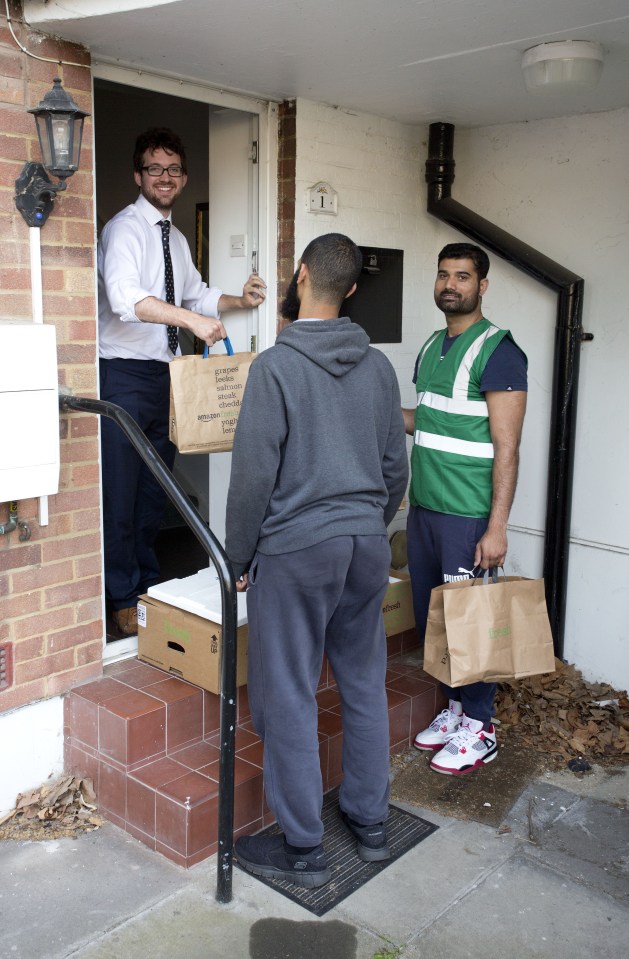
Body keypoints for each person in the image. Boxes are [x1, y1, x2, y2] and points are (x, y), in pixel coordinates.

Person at [225, 233, 408, 888]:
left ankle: (303, 847)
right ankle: (370, 820)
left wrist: (236, 556)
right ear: (352, 288)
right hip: (363, 546)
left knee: (291, 694)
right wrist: (366, 525)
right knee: (361, 682)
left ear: (300, 276)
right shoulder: (379, 369)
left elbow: (251, 478)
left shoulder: (275, 368)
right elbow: (395, 470)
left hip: (296, 553)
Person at [98, 127, 266, 637]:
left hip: (167, 378)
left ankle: (147, 587)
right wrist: (190, 324)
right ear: (138, 175)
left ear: (183, 177)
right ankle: (120, 598)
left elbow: (194, 294)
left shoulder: (176, 238)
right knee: (121, 495)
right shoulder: (125, 230)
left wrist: (240, 302)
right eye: (154, 168)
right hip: (123, 376)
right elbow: (125, 297)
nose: (164, 177)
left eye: (172, 169)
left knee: (155, 491)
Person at [402, 242, 527, 775]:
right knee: (438, 621)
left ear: (482, 286)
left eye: (463, 276)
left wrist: (496, 527)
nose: (451, 284)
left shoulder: (500, 350)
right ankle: (455, 711)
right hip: (425, 508)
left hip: (468, 516)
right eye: (444, 275)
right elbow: (426, 421)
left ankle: (481, 727)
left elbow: (507, 447)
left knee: (473, 624)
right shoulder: (432, 344)